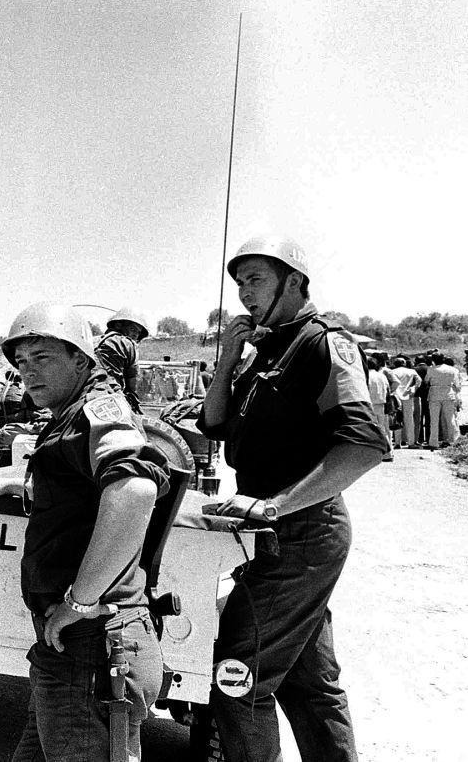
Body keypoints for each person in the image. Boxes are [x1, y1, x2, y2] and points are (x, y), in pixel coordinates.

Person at [198, 235, 386, 762]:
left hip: (301, 532)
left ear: (295, 282)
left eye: (255, 279)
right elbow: (215, 424)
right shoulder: (267, 350)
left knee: (237, 679)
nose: (244, 294)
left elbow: (365, 445)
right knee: (308, 685)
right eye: (239, 284)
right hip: (277, 533)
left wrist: (275, 505)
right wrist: (228, 360)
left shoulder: (326, 344)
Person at [0, 302, 169, 762]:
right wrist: (12, 481)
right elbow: (77, 488)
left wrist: (77, 602)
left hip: (93, 647)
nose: (28, 374)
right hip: (73, 649)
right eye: (21, 363)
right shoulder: (69, 414)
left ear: (81, 358)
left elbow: (135, 489)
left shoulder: (97, 407)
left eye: (43, 358)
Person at [95, 306, 150, 412]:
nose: (135, 334)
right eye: (133, 329)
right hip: (109, 399)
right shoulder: (127, 343)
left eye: (138, 332)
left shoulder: (93, 341)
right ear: (118, 325)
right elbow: (133, 386)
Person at [425, 354, 462, 448]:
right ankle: (453, 441)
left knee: (434, 420)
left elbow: (426, 381)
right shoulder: (453, 370)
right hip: (448, 394)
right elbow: (457, 386)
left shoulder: (431, 369)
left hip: (434, 395)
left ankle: (433, 442)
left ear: (433, 360)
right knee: (450, 419)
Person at [389, 357, 421, 448]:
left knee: (397, 419)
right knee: (409, 419)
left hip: (396, 397)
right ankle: (411, 442)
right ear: (404, 363)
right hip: (408, 396)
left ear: (395, 364)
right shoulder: (412, 371)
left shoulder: (392, 372)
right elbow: (419, 381)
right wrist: (413, 389)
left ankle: (397, 443)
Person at [367, 357, 393, 461]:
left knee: (370, 429)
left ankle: (371, 454)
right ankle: (388, 454)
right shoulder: (382, 376)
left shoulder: (366, 376)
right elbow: (388, 389)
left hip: (369, 404)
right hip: (381, 404)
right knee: (382, 429)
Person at [414, 356, 431, 443]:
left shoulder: (414, 369)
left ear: (416, 361)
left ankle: (419, 438)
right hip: (428, 395)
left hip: (417, 395)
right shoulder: (430, 369)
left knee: (418, 418)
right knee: (429, 417)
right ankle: (428, 438)